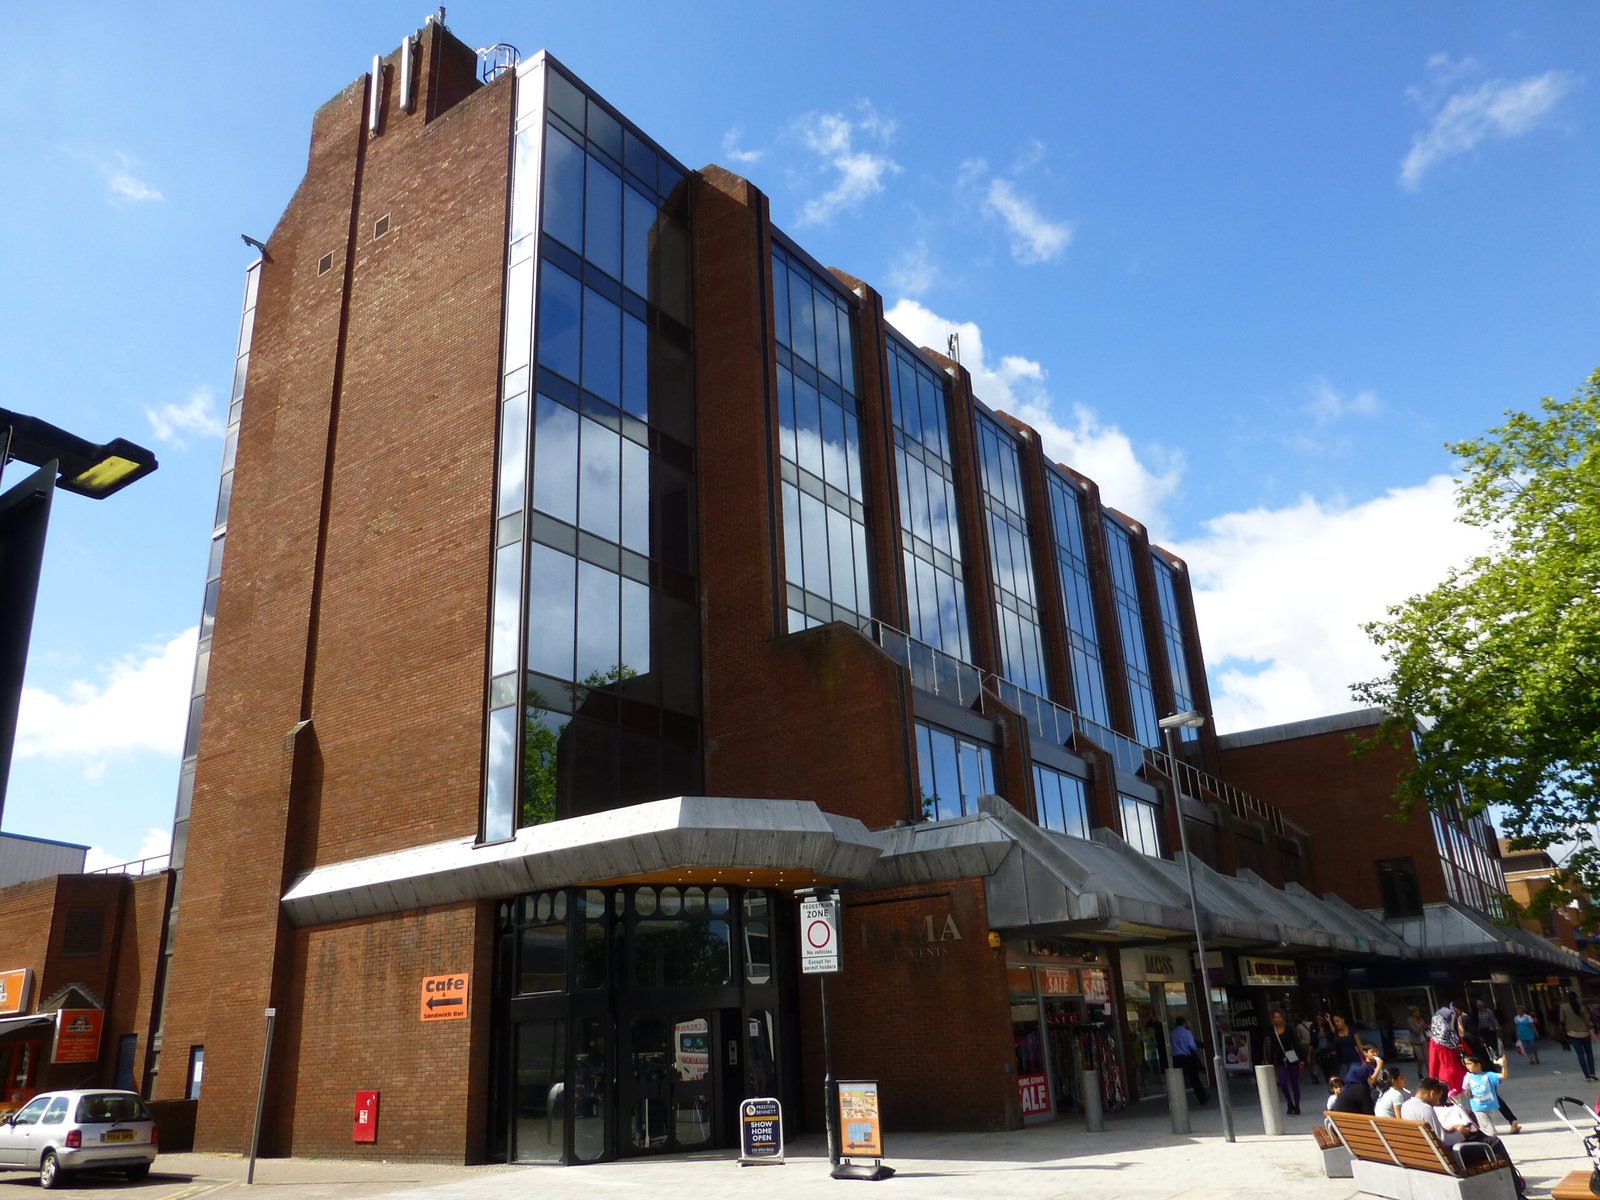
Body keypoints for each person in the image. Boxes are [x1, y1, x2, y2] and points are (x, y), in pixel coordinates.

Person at [1462, 1052, 1519, 1136]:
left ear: (1478, 1064)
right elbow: (1467, 1094)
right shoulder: (1468, 1077)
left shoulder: (1488, 1075)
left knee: (1488, 1128)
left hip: (1490, 1107)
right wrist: (1467, 1091)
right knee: (1490, 1132)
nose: (1467, 1066)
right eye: (1466, 1064)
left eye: (1469, 1063)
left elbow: (1503, 1076)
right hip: (1477, 1107)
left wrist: (1504, 1066)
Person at [1427, 1000, 1468, 1097]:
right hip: (1461, 1073)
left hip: (1446, 1077)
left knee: (1452, 1101)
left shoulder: (1435, 1041)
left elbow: (1433, 1062)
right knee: (1461, 1099)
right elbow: (1467, 1051)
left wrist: (1432, 1078)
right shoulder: (1455, 1036)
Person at [1267, 1009, 1302, 1115]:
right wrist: (1270, 1062)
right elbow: (1271, 1047)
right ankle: (1289, 1102)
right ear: (1273, 1019)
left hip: (1292, 1057)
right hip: (1280, 1058)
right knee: (1282, 1082)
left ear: (1283, 1018)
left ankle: (1297, 1106)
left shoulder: (1289, 1029)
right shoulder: (1271, 1031)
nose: (1278, 1019)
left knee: (1294, 1083)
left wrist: (1301, 1059)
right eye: (1276, 1017)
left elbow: (1295, 1044)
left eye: (1279, 1017)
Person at [1170, 1016, 1208, 1105]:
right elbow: (1192, 1046)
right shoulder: (1187, 1032)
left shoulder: (1171, 1033)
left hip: (1176, 1059)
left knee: (1178, 1081)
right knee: (1194, 1079)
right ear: (1184, 1023)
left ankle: (1178, 1102)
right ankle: (1202, 1098)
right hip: (1187, 1058)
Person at [1560, 990, 1596, 1081]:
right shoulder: (1581, 1008)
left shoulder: (1563, 1007)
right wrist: (1592, 1033)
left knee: (1580, 1055)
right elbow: (1587, 1022)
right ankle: (1592, 1072)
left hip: (1572, 1034)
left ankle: (1587, 1076)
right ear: (1576, 998)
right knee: (1589, 1053)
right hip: (1585, 1033)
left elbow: (1562, 1020)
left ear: (1567, 998)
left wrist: (1564, 1032)